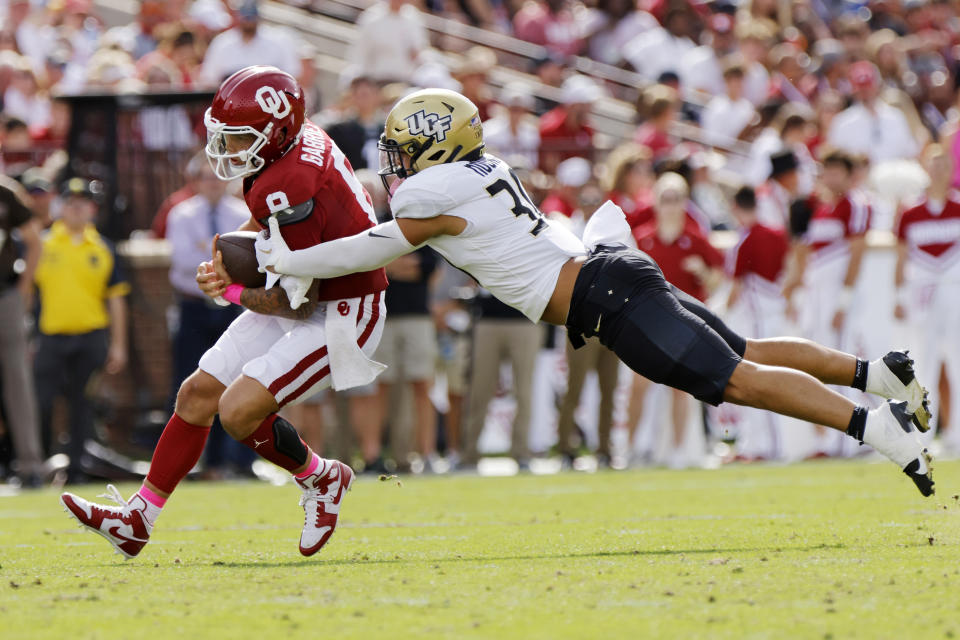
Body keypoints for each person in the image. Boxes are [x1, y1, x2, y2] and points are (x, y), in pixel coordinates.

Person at [259, 87, 937, 500]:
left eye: (403, 148)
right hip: (609, 275)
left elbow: (372, 246)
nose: (395, 162)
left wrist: (287, 254)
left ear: (437, 147)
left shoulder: (437, 189)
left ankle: (880, 427)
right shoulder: (477, 169)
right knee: (745, 351)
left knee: (735, 378)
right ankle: (879, 375)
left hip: (606, 296)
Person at [60, 66, 388, 559]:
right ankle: (137, 518)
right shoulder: (293, 143)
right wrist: (227, 260)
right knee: (196, 395)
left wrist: (229, 289)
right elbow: (265, 219)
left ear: (275, 129)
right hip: (307, 288)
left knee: (237, 411)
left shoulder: (290, 177)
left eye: (239, 138)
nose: (229, 149)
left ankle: (321, 478)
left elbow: (295, 304)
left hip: (342, 310)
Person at [34, 178, 129, 484]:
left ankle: (76, 470)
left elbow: (116, 300)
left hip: (90, 336)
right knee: (40, 401)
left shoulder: (103, 248)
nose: (76, 209)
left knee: (82, 407)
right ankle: (36, 466)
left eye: (82, 203)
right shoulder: (43, 242)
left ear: (92, 209)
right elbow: (26, 292)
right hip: (50, 335)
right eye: (70, 203)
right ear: (61, 206)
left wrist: (118, 345)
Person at [894, 145, 960, 452]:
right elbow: (901, 256)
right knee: (925, 363)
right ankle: (924, 433)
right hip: (923, 297)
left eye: (943, 166)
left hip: (954, 292)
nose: (938, 172)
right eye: (933, 166)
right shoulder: (910, 212)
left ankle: (955, 434)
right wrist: (897, 295)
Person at [0, 176, 43, 486]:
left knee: (18, 381)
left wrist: (24, 289)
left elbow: (33, 239)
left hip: (5, 297)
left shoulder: (7, 193)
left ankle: (31, 465)